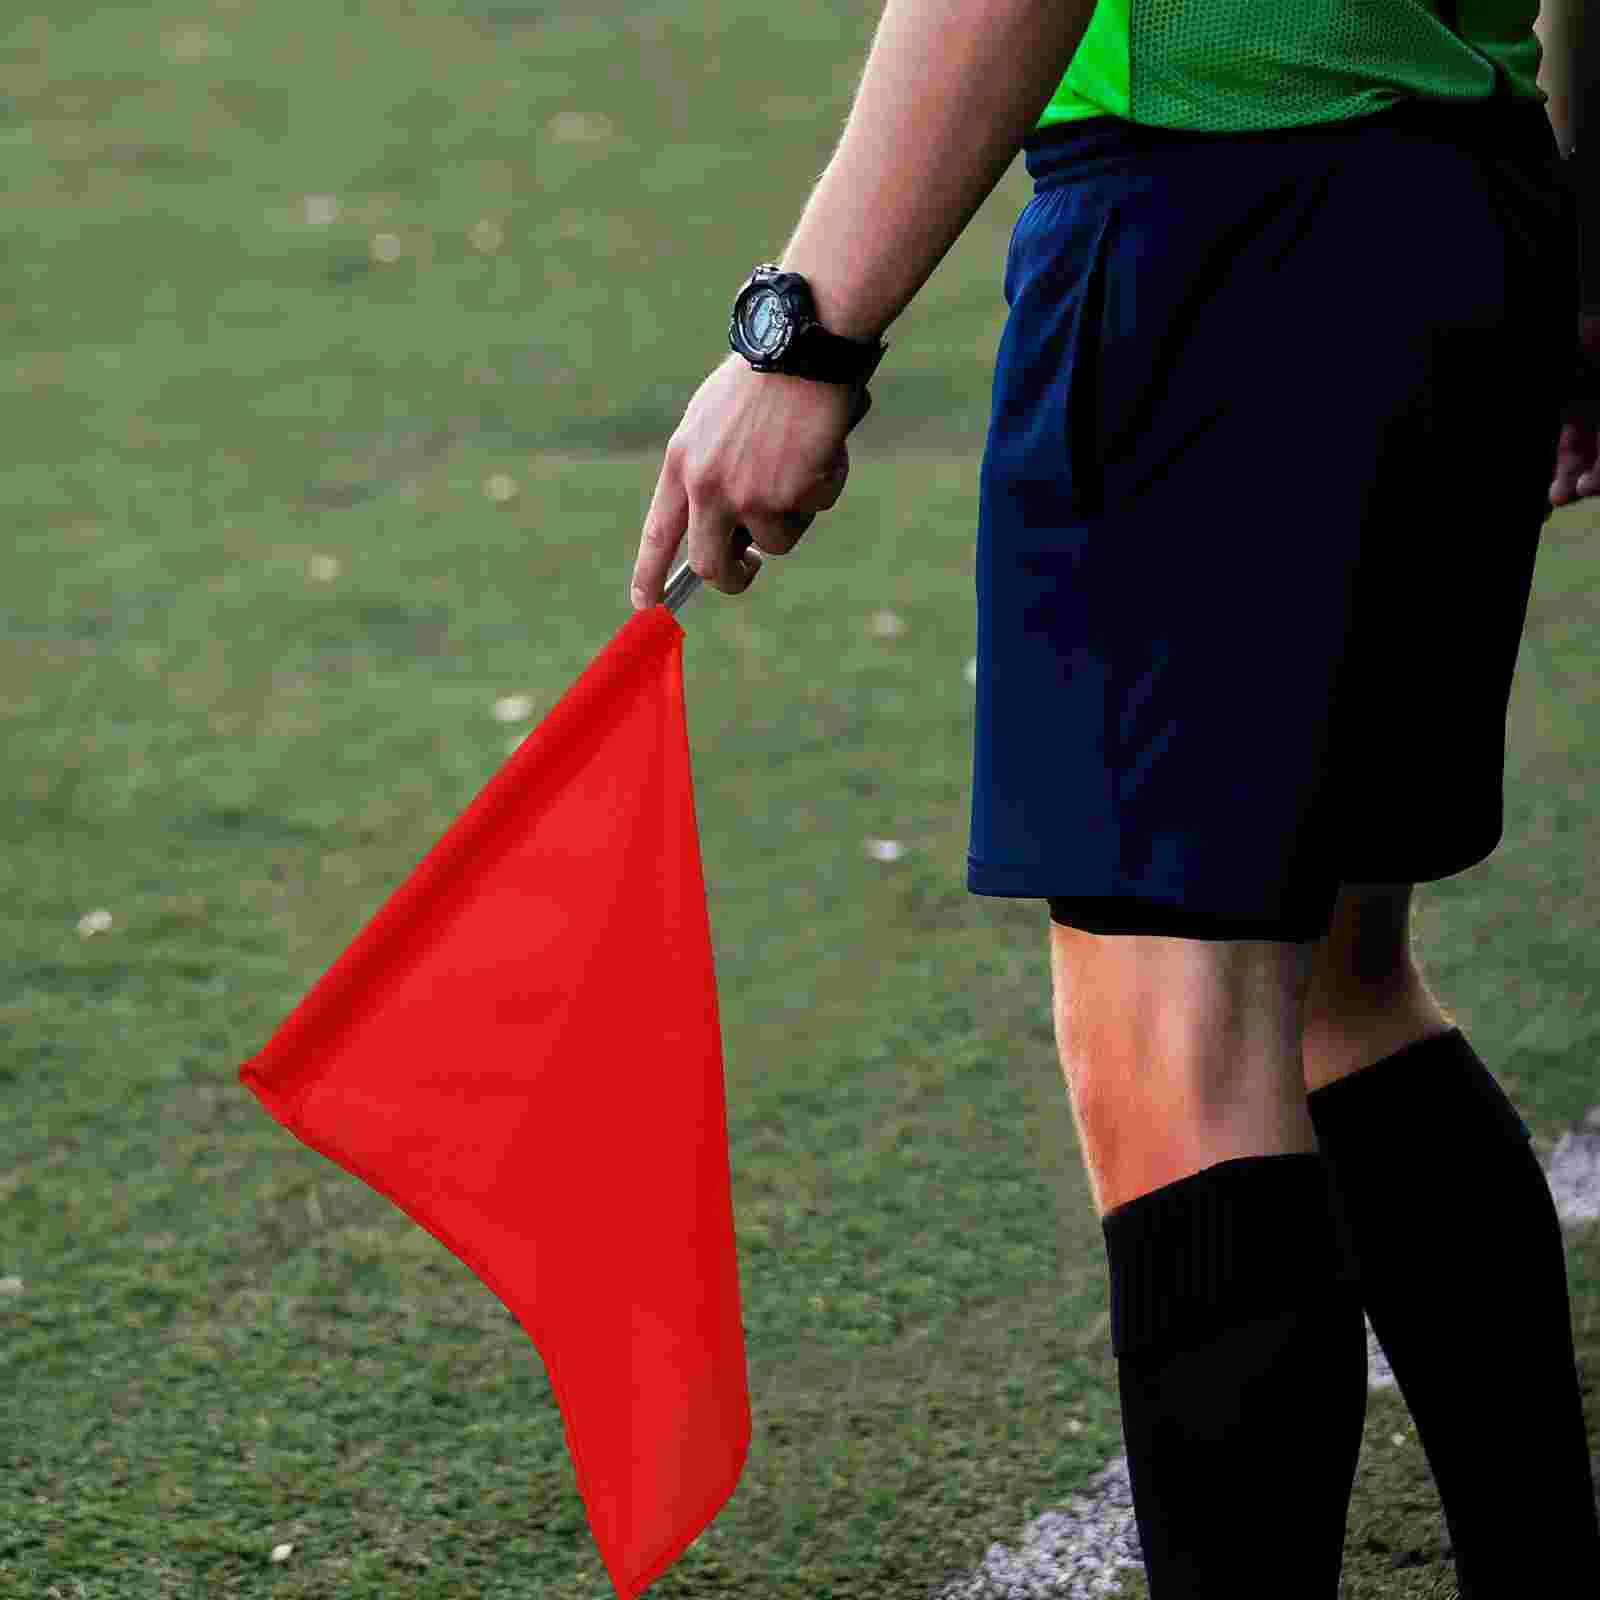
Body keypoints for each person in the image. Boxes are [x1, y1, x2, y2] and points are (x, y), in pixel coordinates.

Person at [628, 0, 1600, 1591]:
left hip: (1219, 238)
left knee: (1173, 1040)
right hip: (1471, 205)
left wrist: (806, 328)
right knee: (1338, 991)